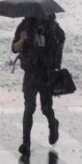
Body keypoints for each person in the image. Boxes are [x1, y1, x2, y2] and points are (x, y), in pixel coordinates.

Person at [12, 15, 64, 154]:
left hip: (46, 74)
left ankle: (53, 124)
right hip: (30, 73)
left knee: (46, 109)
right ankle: (26, 143)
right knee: (29, 107)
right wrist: (22, 39)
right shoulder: (25, 26)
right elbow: (14, 48)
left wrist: (53, 39)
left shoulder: (54, 28)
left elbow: (61, 44)